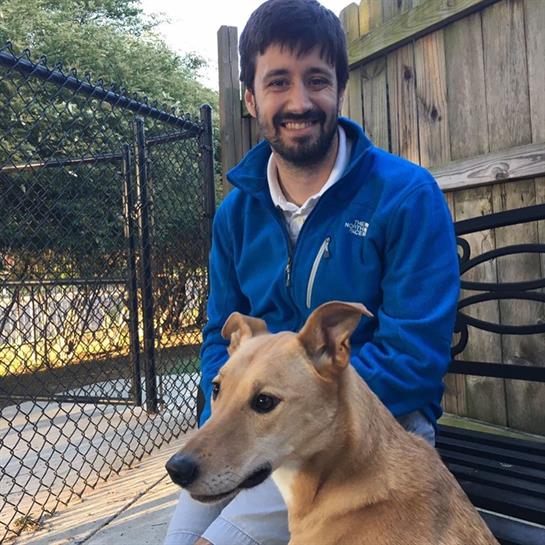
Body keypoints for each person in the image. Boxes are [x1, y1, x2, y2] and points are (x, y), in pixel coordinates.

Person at [164, 0, 460, 544]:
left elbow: (415, 357)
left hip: (369, 434)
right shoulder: (236, 214)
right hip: (263, 426)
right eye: (278, 82)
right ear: (251, 98)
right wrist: (231, 419)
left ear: (339, 89)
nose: (299, 102)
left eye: (316, 80)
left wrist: (296, 410)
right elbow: (217, 337)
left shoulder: (407, 196)